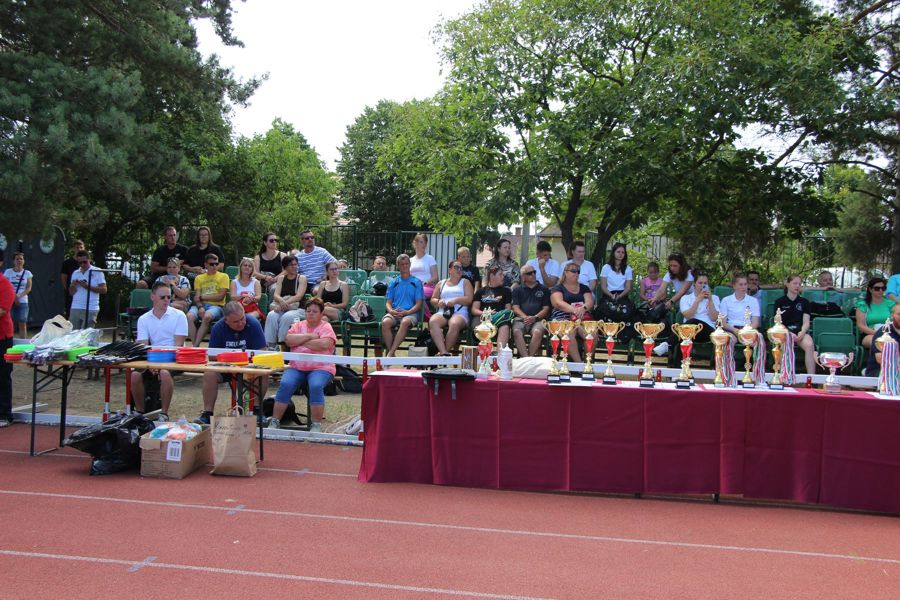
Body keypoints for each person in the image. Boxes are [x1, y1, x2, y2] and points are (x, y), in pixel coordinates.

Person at [195, 302, 268, 425]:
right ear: (226, 320)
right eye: (236, 322)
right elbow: (212, 355)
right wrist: (231, 358)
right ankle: (207, 413)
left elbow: (262, 352)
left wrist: (242, 360)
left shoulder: (253, 324)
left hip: (249, 367)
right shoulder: (218, 327)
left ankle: (257, 410)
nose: (241, 323)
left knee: (263, 372)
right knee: (209, 374)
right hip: (226, 368)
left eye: (242, 318)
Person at [269, 298, 336, 432]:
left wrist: (299, 340)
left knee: (316, 386)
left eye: (314, 311)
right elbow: (288, 340)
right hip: (296, 367)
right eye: (308, 311)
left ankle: (316, 425)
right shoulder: (297, 325)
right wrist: (311, 336)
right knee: (285, 384)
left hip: (321, 368)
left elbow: (325, 344)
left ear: (321, 313)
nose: (310, 313)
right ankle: (275, 421)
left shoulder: (326, 327)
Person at [131, 281, 188, 421]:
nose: (166, 300)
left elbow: (178, 346)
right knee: (135, 375)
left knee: (164, 373)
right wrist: (152, 363)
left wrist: (158, 363)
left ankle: (164, 413)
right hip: (153, 357)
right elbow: (143, 346)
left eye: (169, 297)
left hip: (174, 358)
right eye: (163, 297)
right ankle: (139, 412)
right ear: (153, 297)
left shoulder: (179, 315)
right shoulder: (143, 319)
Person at [550, 262, 595, 363]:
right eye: (573, 271)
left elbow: (589, 301)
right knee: (568, 335)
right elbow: (558, 303)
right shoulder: (558, 288)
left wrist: (583, 308)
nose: (576, 273)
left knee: (593, 334)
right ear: (566, 272)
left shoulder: (584, 288)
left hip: (581, 318)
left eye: (578, 271)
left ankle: (587, 363)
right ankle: (579, 365)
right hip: (563, 318)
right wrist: (575, 310)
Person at [381, 254, 424, 357]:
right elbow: (388, 302)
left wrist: (407, 312)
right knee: (385, 322)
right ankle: (392, 353)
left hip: (411, 313)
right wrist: (391, 311)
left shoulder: (417, 282)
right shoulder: (393, 282)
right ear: (398, 266)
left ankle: (390, 352)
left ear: (410, 264)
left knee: (405, 322)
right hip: (395, 312)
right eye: (402, 264)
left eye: (406, 264)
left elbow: (419, 304)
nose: (405, 266)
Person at [428, 259, 474, 356]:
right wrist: (438, 302)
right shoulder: (441, 283)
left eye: (461, 268)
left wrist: (456, 300)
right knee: (433, 321)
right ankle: (443, 351)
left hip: (460, 312)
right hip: (443, 311)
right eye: (456, 267)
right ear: (450, 270)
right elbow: (433, 299)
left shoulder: (465, 282)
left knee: (454, 323)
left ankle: (445, 352)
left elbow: (469, 299)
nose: (459, 270)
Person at [773, 274, 816, 374]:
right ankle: (783, 376)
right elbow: (778, 322)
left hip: (800, 333)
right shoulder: (779, 302)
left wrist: (802, 332)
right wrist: (788, 333)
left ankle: (811, 378)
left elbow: (806, 322)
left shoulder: (804, 302)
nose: (797, 286)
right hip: (785, 333)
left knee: (810, 345)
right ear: (787, 284)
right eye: (795, 283)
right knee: (783, 345)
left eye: (799, 284)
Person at [264, 255, 308, 349]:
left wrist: (284, 303)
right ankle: (271, 345)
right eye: (291, 265)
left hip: (298, 308)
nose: (294, 267)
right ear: (285, 267)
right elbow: (276, 295)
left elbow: (299, 296)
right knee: (271, 315)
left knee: (287, 317)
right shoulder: (281, 278)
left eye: (296, 264)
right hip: (282, 307)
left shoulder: (302, 278)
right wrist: (282, 302)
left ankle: (282, 343)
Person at [188, 253, 230, 346]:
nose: (215, 266)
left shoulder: (224, 276)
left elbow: (220, 297)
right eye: (212, 264)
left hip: (216, 306)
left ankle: (195, 346)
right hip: (200, 305)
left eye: (216, 264)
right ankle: (195, 345)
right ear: (206, 265)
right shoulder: (199, 278)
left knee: (207, 316)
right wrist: (200, 307)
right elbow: (197, 297)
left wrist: (202, 297)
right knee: (189, 316)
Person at [511, 264, 551, 357]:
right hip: (521, 319)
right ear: (523, 276)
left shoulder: (544, 289)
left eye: (534, 272)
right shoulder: (517, 290)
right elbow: (515, 307)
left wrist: (535, 317)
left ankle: (529, 358)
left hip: (539, 320)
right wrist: (526, 317)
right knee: (516, 331)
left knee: (537, 332)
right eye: (529, 273)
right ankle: (526, 359)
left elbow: (546, 308)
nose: (533, 274)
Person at [472, 266, 514, 348]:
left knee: (505, 327)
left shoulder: (506, 291)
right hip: (483, 317)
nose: (503, 277)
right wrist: (485, 313)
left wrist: (498, 315)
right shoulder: (481, 291)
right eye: (500, 274)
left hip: (500, 318)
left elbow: (508, 309)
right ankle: (484, 353)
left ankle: (500, 353)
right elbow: (474, 309)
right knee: (479, 326)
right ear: (492, 276)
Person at [69, 250, 107, 328]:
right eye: (80, 263)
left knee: (86, 334)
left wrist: (87, 287)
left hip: (91, 307)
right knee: (73, 333)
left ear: (89, 260)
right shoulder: (75, 273)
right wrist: (73, 286)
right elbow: (71, 293)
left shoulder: (97, 271)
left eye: (85, 262)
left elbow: (104, 290)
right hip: (76, 307)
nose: (82, 264)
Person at [718, 273, 761, 340]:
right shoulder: (726, 300)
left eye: (745, 284)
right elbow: (723, 322)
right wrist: (734, 330)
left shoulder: (753, 301)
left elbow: (755, 323)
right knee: (728, 340)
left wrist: (746, 331)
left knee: (759, 338)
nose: (743, 287)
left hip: (748, 330)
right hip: (731, 329)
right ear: (734, 286)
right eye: (741, 284)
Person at [856, 277, 895, 349]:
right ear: (870, 289)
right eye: (877, 288)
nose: (880, 290)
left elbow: (896, 321)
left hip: (889, 333)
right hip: (869, 334)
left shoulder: (891, 304)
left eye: (883, 288)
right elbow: (861, 325)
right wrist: (878, 333)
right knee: (877, 342)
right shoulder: (863, 305)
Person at [865, 303, 900, 378]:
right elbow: (880, 359)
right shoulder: (883, 333)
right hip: (880, 371)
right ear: (892, 315)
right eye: (899, 314)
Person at [0, 249, 14, 427]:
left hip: (2, 337)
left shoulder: (4, 283)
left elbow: (2, 310)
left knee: (3, 375)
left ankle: (4, 414)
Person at [4, 252, 33, 340]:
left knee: (22, 322)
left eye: (21, 259)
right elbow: (5, 286)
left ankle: (23, 341)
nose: (19, 260)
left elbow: (28, 288)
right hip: (9, 300)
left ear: (24, 261)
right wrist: (13, 297)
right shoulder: (8, 272)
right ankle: (9, 340)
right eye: (17, 259)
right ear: (13, 261)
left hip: (23, 301)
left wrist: (18, 296)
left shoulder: (27, 273)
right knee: (9, 322)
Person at [410, 233, 439, 316]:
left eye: (425, 242)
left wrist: (425, 283)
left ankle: (427, 317)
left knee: (418, 293)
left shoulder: (430, 258)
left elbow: (435, 277)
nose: (424, 244)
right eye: (421, 242)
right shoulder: (410, 260)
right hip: (413, 287)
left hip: (427, 286)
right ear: (415, 243)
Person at [60, 239, 85, 316]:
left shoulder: (88, 263)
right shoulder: (67, 263)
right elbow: (63, 278)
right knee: (70, 314)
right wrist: (68, 289)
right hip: (71, 293)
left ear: (84, 248)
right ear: (73, 249)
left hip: (84, 292)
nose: (79, 249)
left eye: (81, 247)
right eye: (77, 247)